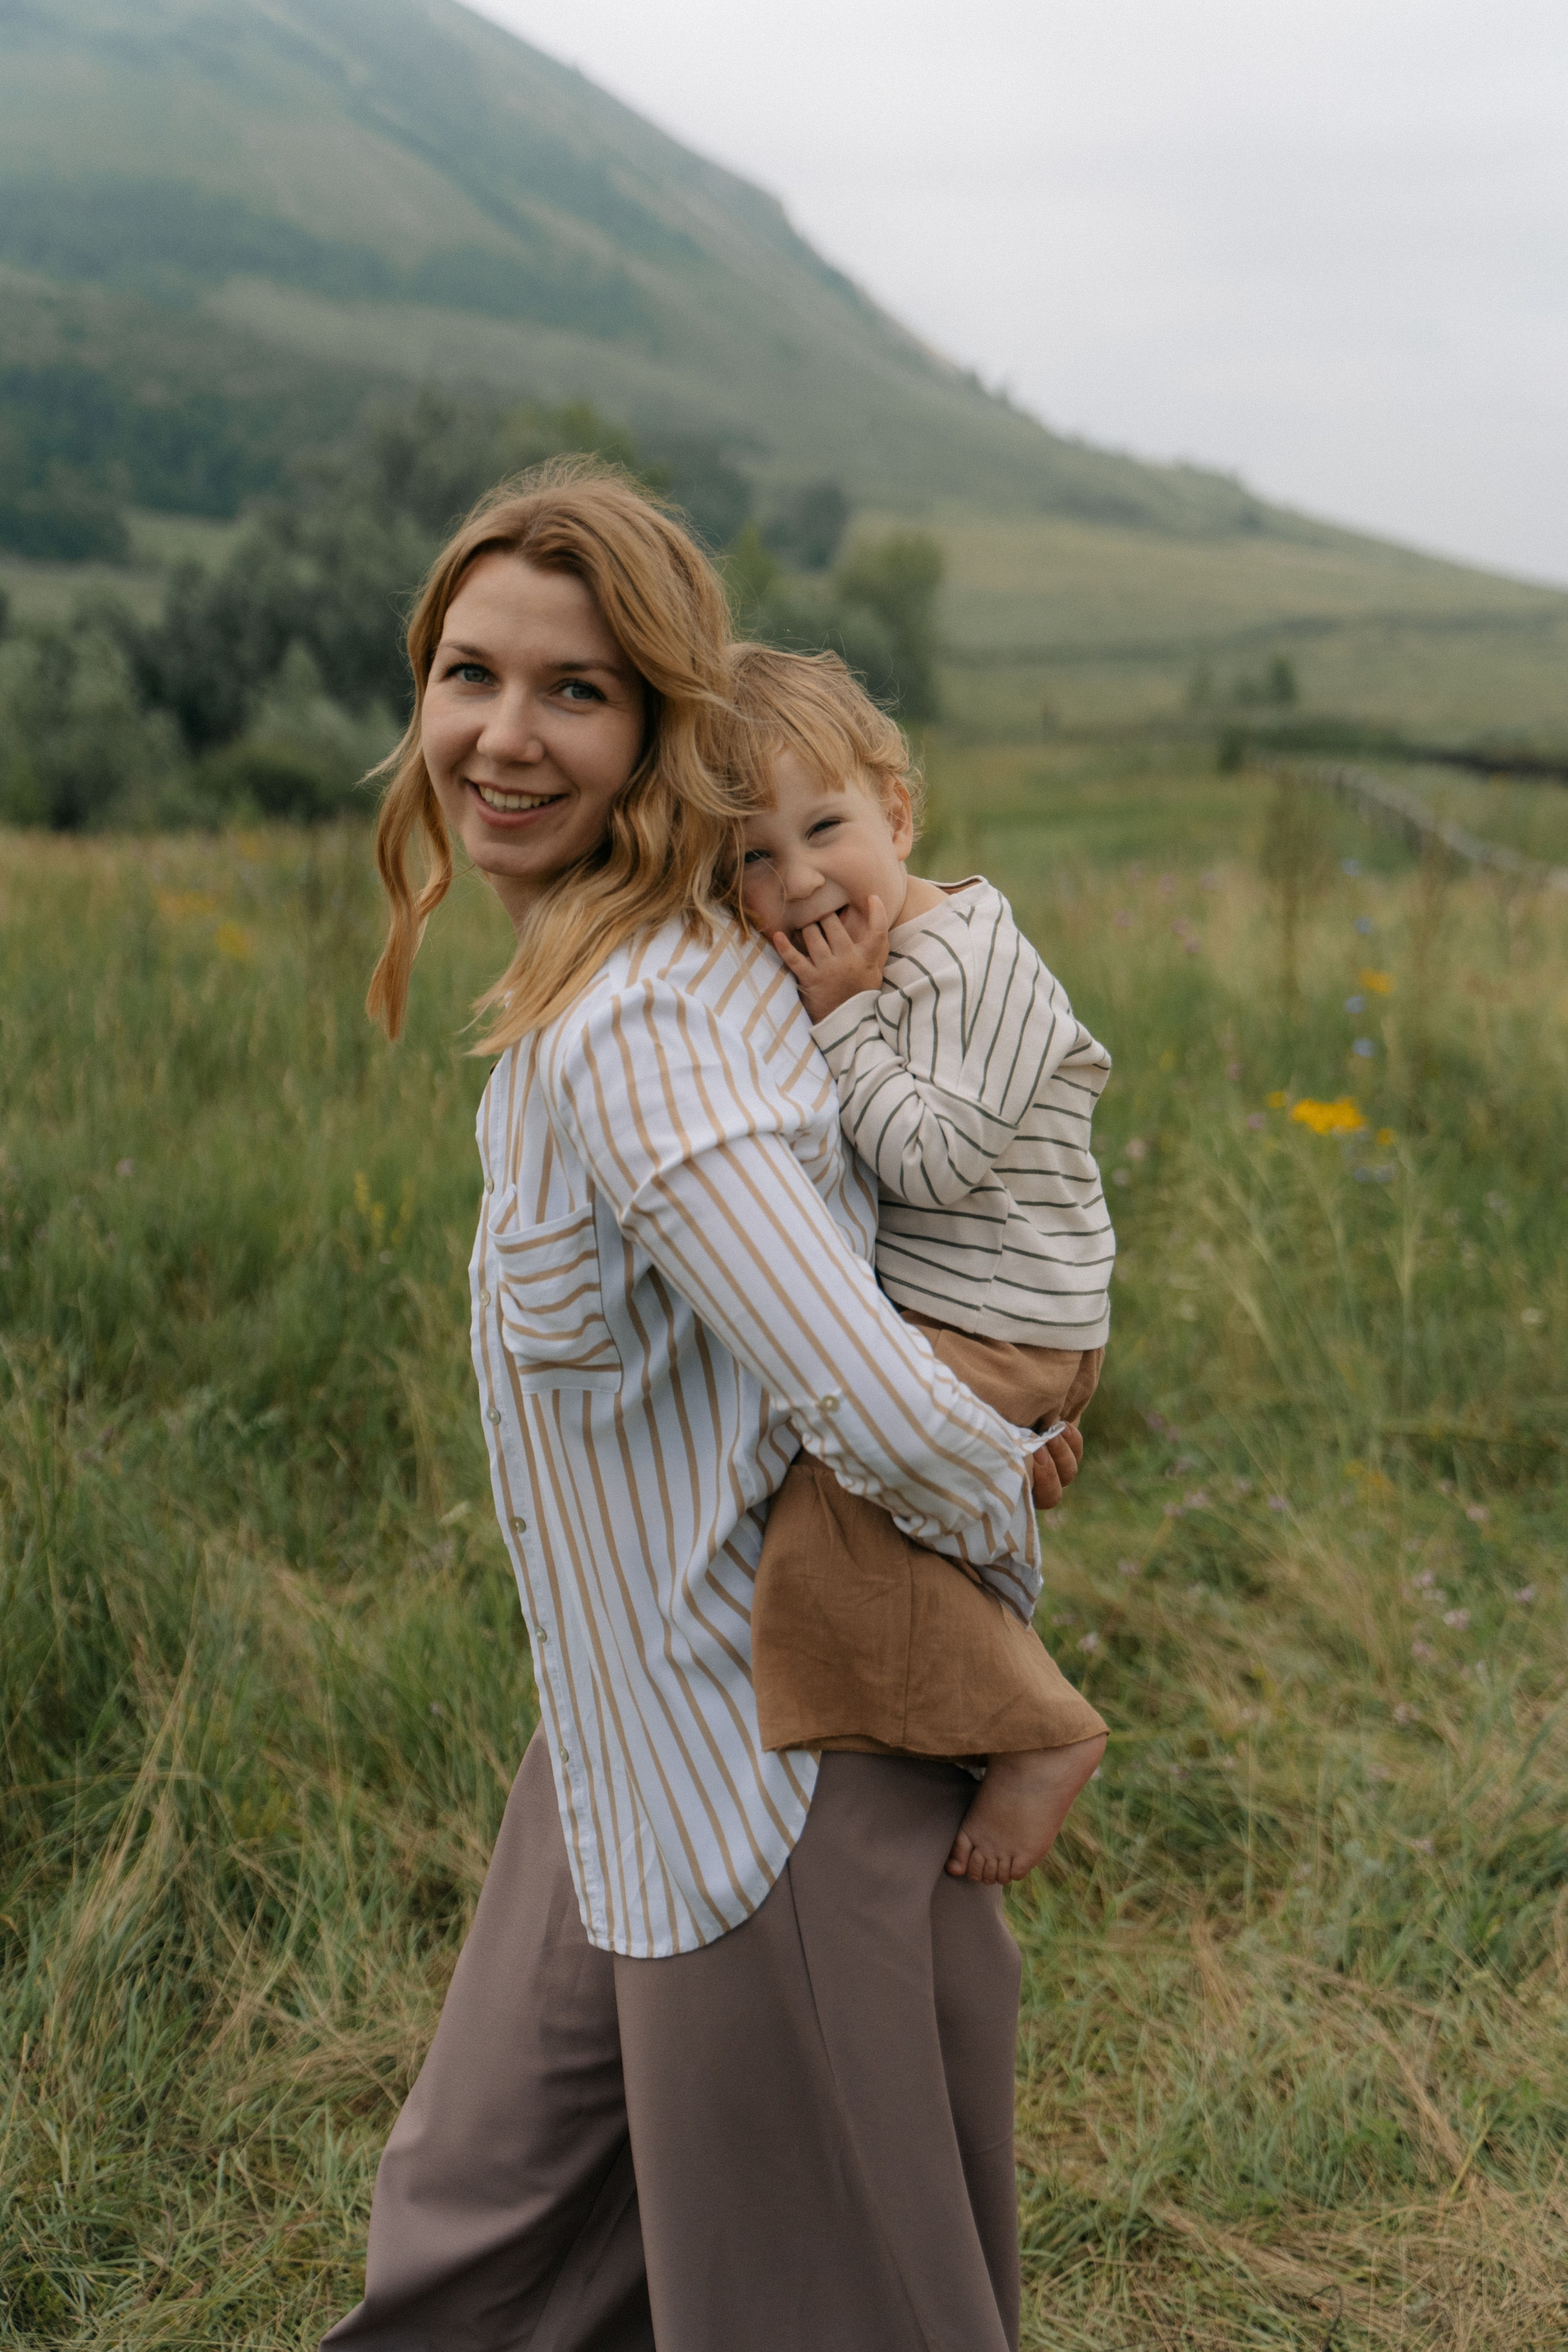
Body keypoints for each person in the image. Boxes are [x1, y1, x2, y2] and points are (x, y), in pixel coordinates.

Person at [322, 460, 1085, 2352]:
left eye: (574, 689)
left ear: (665, 724)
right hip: (614, 1745)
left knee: (811, 2309)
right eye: (468, 675)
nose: (504, 736)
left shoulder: (649, 1027)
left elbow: (886, 1412)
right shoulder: (619, 972)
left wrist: (1002, 1629)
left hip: (763, 1781)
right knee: (474, 2253)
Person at [730, 646, 1113, 1885]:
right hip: (976, 1307)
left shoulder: (969, 962)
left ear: (897, 813)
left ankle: (1035, 1730)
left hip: (1002, 1321)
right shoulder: (886, 947)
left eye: (823, 827)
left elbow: (935, 1161)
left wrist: (841, 1015)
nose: (795, 882)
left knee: (829, 1517)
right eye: (750, 857)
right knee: (877, 1513)